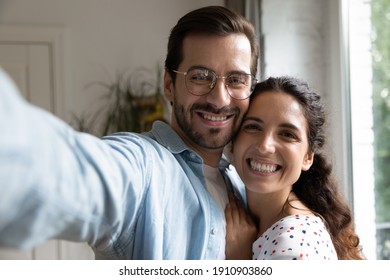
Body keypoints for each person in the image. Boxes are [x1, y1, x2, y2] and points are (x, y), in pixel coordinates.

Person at [0, 6, 259, 259]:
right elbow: (64, 172)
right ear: (169, 85)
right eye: (200, 76)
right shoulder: (142, 166)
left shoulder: (243, 183)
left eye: (237, 80)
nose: (220, 99)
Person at [225, 76, 364, 260]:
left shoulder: (293, 246)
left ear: (308, 157)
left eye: (287, 134)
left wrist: (239, 261)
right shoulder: (243, 206)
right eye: (253, 127)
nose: (265, 145)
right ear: (234, 139)